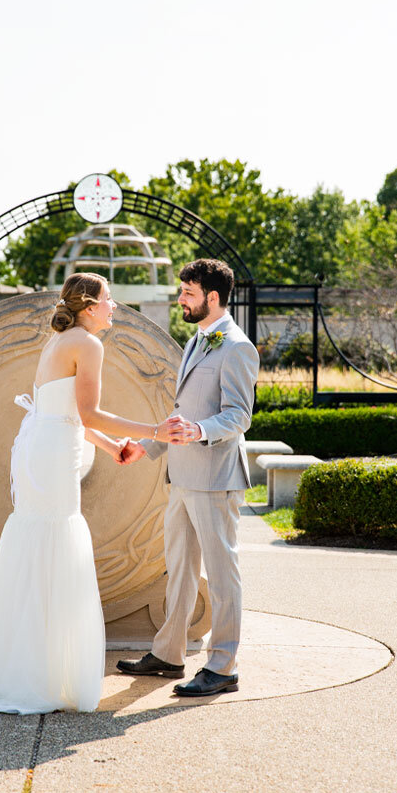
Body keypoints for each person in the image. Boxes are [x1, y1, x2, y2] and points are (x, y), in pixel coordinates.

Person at [0, 273, 188, 714]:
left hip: (44, 447)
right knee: (55, 542)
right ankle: (44, 673)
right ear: (90, 305)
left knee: (39, 543)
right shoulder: (88, 344)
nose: (115, 307)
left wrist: (114, 447)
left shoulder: (62, 340)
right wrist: (155, 430)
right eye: (110, 299)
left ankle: (31, 666)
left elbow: (69, 415)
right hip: (52, 456)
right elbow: (89, 411)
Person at [116, 258, 260, 697]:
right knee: (178, 570)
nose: (181, 298)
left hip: (215, 478)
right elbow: (184, 413)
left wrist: (200, 432)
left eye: (188, 293)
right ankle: (169, 654)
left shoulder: (237, 347)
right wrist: (149, 445)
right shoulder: (197, 341)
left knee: (221, 575)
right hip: (180, 477)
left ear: (212, 298)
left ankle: (223, 667)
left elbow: (239, 416)